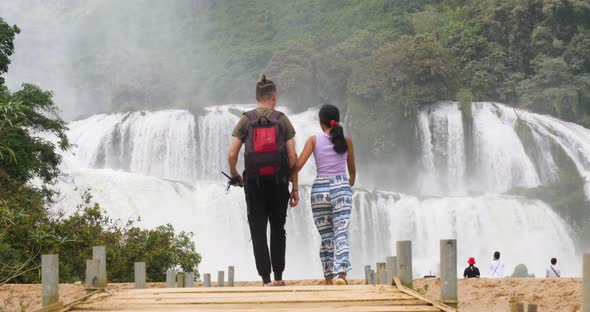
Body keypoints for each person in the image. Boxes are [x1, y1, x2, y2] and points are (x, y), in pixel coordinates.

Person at [227, 75, 299, 286]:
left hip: (254, 184)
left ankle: (265, 280)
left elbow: (232, 154)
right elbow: (293, 157)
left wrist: (234, 175)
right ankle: (278, 278)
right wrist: (294, 187)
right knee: (278, 229)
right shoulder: (282, 119)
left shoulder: (245, 120)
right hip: (278, 183)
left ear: (256, 97)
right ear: (273, 97)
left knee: (258, 231)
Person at [290, 104, 356, 285]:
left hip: (319, 190)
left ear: (321, 123)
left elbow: (298, 165)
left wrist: (290, 180)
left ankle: (328, 279)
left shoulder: (313, 140)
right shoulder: (346, 140)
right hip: (341, 187)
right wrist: (348, 183)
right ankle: (341, 274)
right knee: (341, 232)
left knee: (326, 236)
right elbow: (352, 169)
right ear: (338, 121)